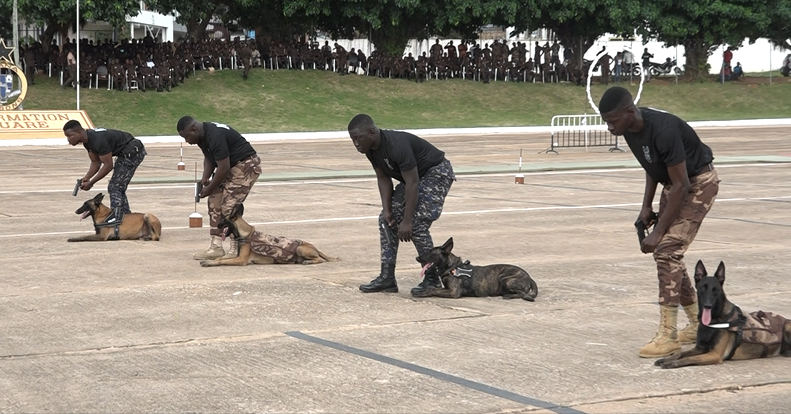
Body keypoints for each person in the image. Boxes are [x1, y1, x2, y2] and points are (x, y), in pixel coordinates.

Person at [598, 87, 719, 358]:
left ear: (630, 112)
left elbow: (682, 184)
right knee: (670, 253)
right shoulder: (629, 130)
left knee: (666, 250)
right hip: (674, 185)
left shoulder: (663, 130)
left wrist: (658, 232)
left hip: (697, 184)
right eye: (606, 121)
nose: (609, 127)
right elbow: (652, 167)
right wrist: (645, 207)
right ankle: (699, 321)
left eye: (613, 121)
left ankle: (668, 336)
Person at [347, 114, 455, 296]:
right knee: (385, 220)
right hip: (414, 178)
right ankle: (387, 277)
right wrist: (388, 209)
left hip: (435, 173)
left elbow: (412, 183)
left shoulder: (397, 145)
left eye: (358, 138)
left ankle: (431, 278)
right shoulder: (370, 150)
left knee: (417, 223)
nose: (356, 143)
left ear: (372, 133)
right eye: (353, 140)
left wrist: (406, 221)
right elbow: (383, 178)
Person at [177, 116, 262, 260]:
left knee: (230, 207)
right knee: (214, 202)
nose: (186, 141)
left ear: (193, 129)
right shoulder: (201, 136)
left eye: (186, 137)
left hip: (245, 165)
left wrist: (210, 187)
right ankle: (216, 247)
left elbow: (223, 168)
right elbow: (209, 157)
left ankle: (237, 247)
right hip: (231, 166)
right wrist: (206, 177)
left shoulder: (215, 135)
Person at [64, 120, 147, 225]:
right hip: (126, 151)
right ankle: (125, 216)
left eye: (70, 136)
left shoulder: (98, 140)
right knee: (117, 186)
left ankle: (118, 218)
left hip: (133, 150)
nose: (68, 140)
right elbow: (96, 162)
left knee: (115, 186)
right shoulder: (87, 142)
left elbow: (108, 166)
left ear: (79, 133)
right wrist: (87, 177)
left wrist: (91, 183)